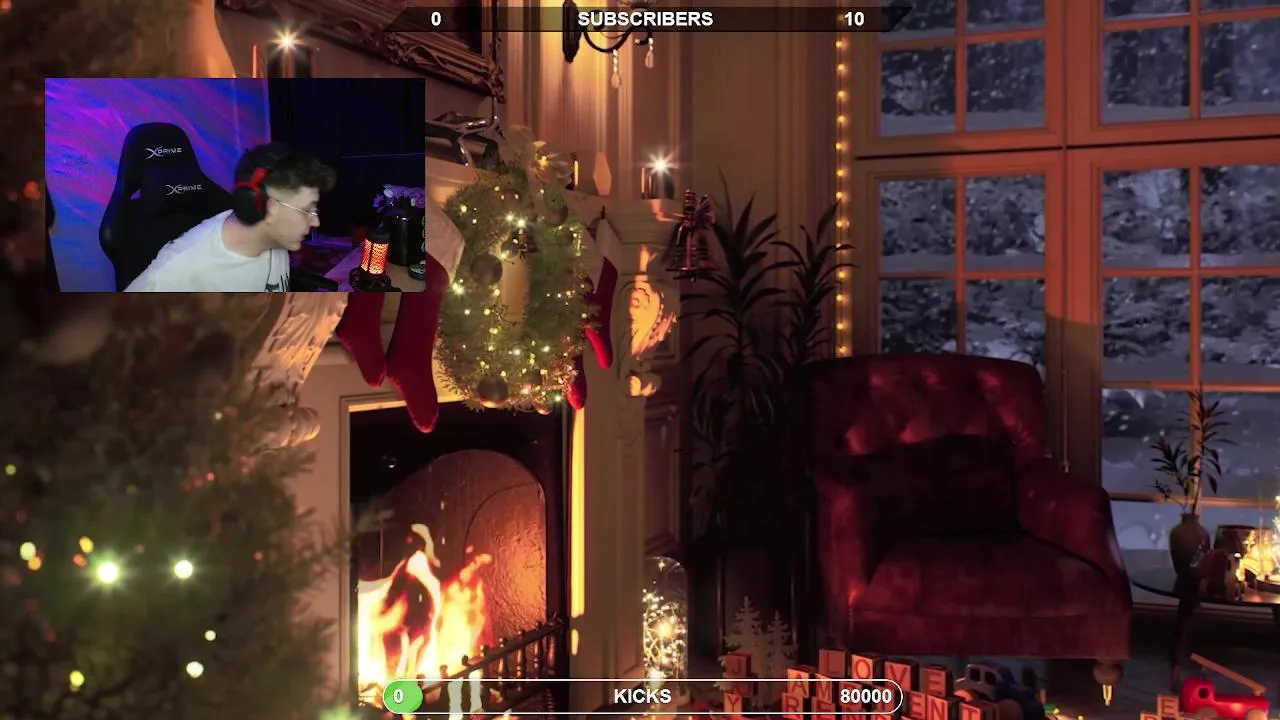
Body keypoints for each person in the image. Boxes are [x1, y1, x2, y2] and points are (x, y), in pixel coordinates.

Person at [126, 143, 336, 292]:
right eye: (307, 210)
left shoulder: (277, 239)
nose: (315, 221)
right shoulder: (178, 271)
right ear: (271, 208)